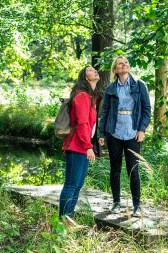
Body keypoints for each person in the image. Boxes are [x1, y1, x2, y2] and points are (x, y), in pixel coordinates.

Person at [98, 56, 151, 217]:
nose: (125, 64)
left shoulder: (139, 85)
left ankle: (136, 205)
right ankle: (116, 202)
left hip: (133, 133)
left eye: (127, 62)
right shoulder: (111, 89)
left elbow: (147, 110)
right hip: (114, 132)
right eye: (121, 63)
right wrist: (102, 133)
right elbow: (105, 112)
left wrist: (142, 129)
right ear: (115, 69)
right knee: (115, 169)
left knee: (133, 170)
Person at [59, 66, 100, 218]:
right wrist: (88, 146)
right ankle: (62, 220)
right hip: (77, 146)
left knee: (77, 186)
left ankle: (69, 217)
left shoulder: (91, 97)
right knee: (71, 185)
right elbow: (82, 123)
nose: (94, 70)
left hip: (83, 146)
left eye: (95, 69)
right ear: (84, 77)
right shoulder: (82, 96)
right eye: (90, 70)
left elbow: (91, 125)